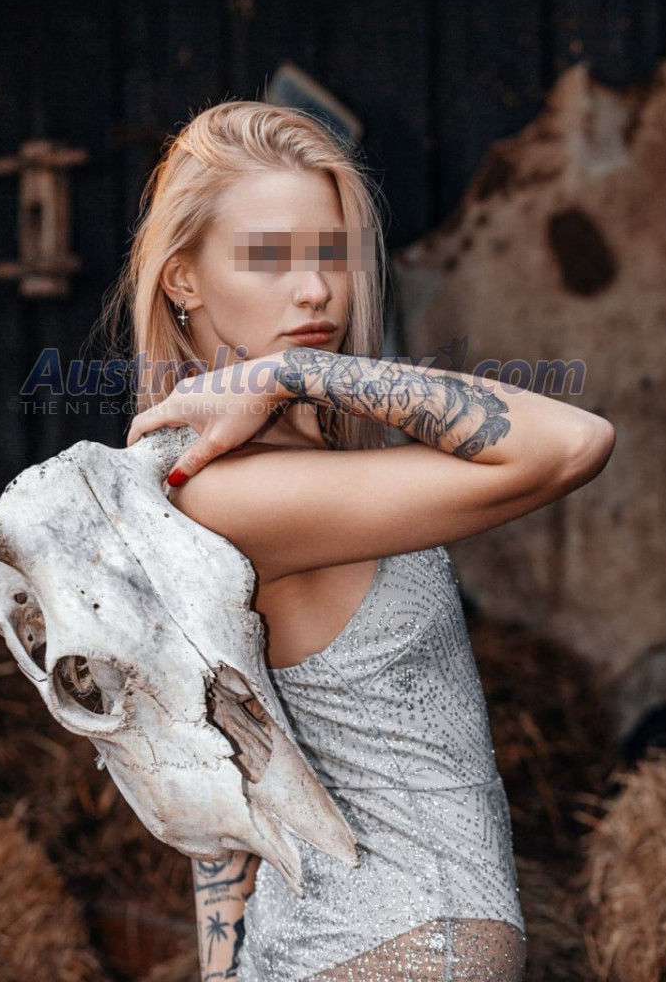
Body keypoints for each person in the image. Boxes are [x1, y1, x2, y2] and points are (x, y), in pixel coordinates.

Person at [114, 100, 615, 981]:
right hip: (386, 952)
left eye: (331, 253)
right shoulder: (230, 491)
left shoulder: (277, 472)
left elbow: (229, 781)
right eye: (268, 257)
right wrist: (296, 370)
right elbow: (572, 442)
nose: (315, 290)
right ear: (181, 280)